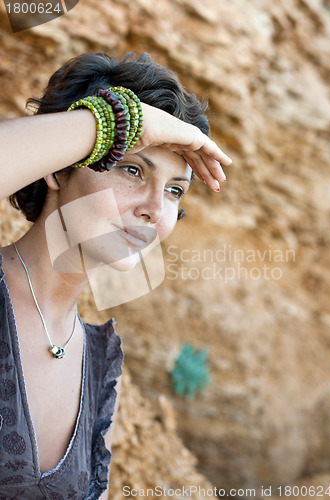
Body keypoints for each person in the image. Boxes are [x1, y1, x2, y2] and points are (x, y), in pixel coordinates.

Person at [0, 52, 232, 498]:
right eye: (131, 169)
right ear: (58, 166)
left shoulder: (100, 366)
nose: (154, 208)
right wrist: (119, 119)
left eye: (174, 190)